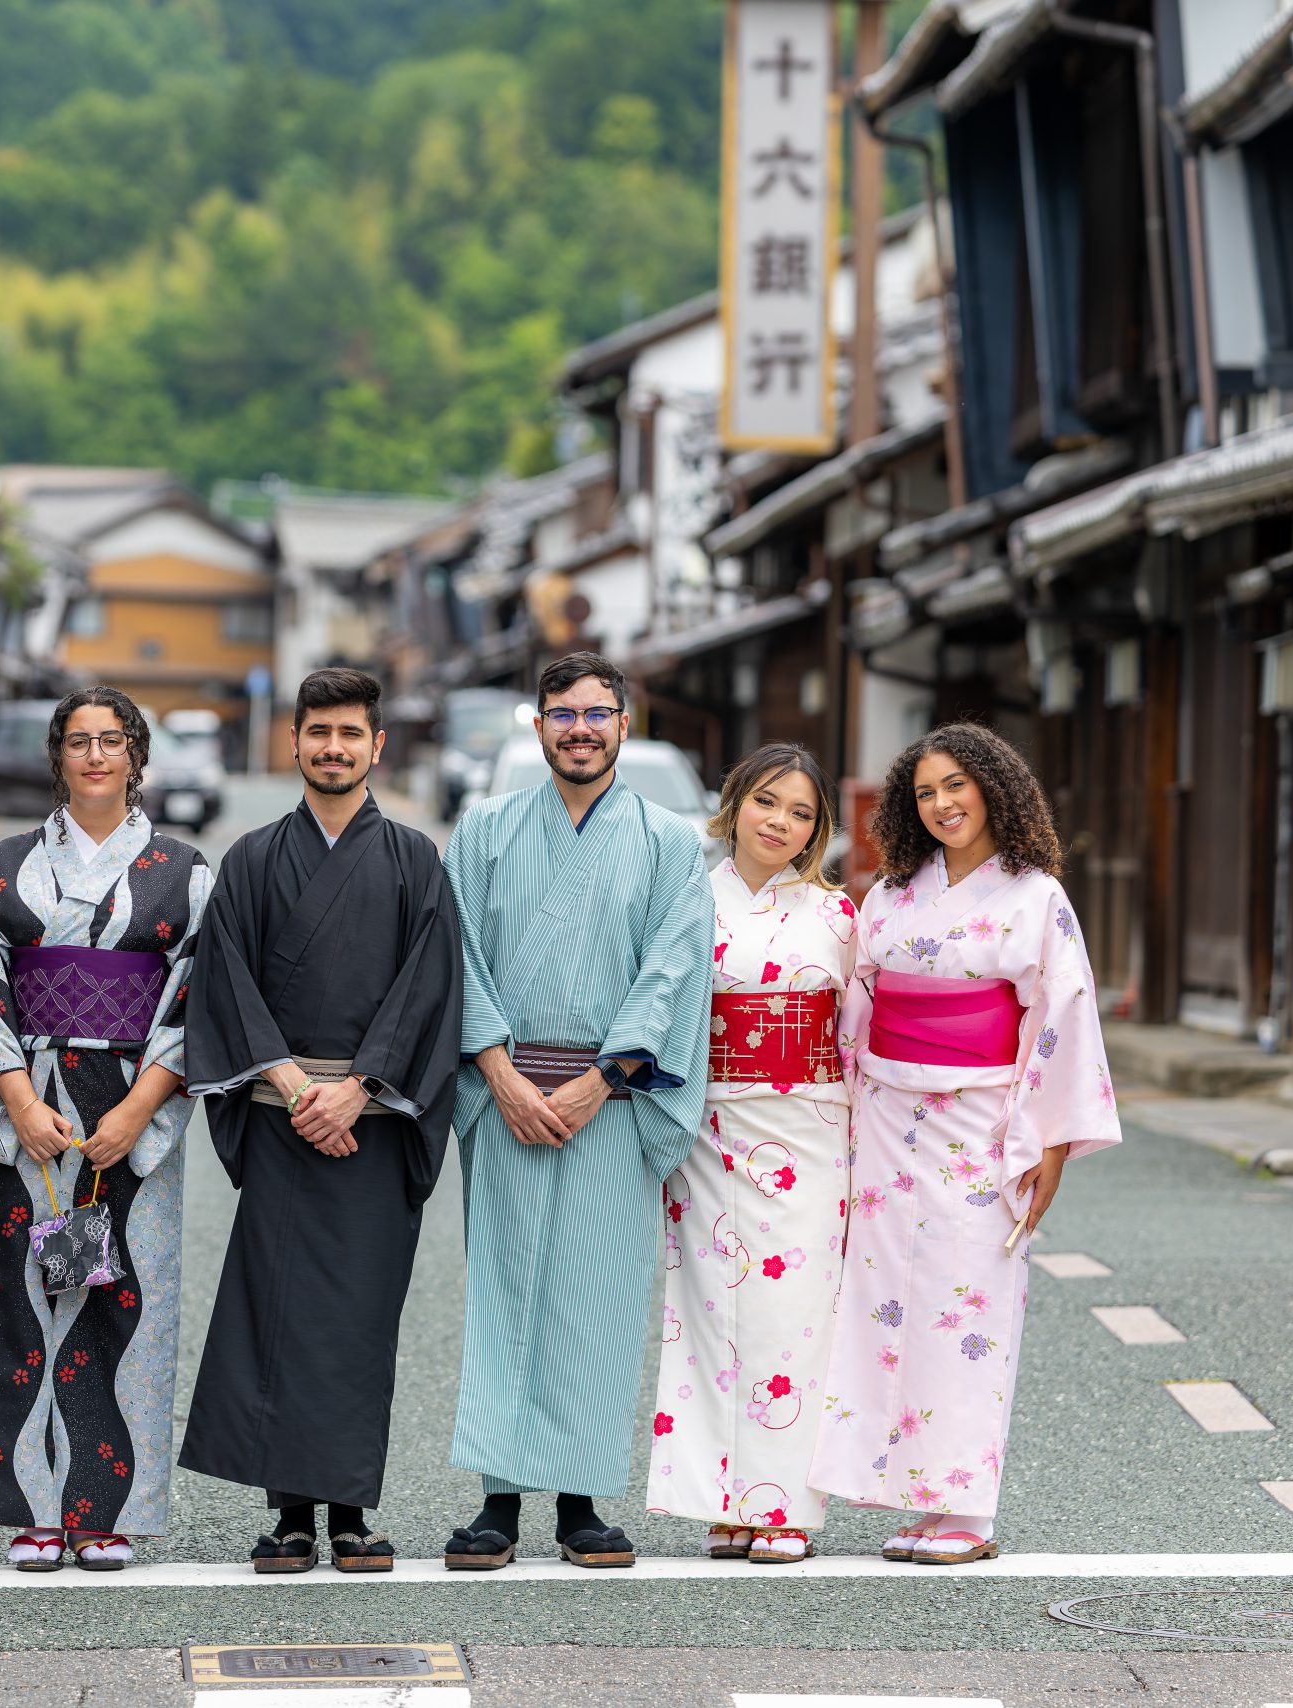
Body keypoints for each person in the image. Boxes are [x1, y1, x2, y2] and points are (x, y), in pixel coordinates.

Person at [807, 722, 1122, 1564]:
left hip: (979, 1122)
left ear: (994, 788)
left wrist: (1047, 1144)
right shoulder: (891, 894)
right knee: (883, 1306)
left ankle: (967, 1510)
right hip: (885, 1119)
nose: (942, 804)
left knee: (967, 1305)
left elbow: (1060, 1016)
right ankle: (918, 1499)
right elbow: (858, 1005)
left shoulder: (1035, 897)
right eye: (925, 793)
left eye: (957, 785)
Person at [179, 667, 461, 1575]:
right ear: (293, 741)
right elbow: (225, 982)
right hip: (280, 1114)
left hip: (372, 1122)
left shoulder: (415, 860)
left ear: (377, 746)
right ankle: (291, 1515)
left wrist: (361, 1088)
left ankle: (351, 1512)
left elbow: (429, 988)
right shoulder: (252, 859)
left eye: (350, 734)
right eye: (318, 732)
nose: (333, 748)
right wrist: (299, 1088)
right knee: (277, 1311)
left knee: (357, 1320)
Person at [442, 651, 711, 1571]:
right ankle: (497, 1503)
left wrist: (602, 1080)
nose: (581, 729)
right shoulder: (484, 831)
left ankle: (582, 1503)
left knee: (597, 1299)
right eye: (564, 714)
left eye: (598, 714)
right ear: (539, 725)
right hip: (505, 1092)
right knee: (505, 1293)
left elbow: (672, 969)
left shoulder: (670, 842)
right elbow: (455, 957)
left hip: (613, 1097)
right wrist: (498, 1074)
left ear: (624, 726)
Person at [0, 687, 209, 1572]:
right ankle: (33, 1507)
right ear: (57, 755)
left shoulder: (184, 870)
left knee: (126, 1303)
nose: (96, 756)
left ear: (136, 755)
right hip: (31, 1100)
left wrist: (138, 1110)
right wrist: (20, 1104)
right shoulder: (4, 864)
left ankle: (107, 1509)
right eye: (78, 741)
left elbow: (198, 993)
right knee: (24, 1302)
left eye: (112, 741)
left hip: (134, 1100)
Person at [645, 743, 856, 1564]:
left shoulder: (838, 916)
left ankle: (783, 1505)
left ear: (817, 829)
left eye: (801, 813)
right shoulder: (689, 900)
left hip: (810, 1128)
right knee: (705, 1315)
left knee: (794, 1318)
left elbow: (856, 1035)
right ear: (734, 804)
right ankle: (723, 1502)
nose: (780, 823)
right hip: (711, 1129)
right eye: (767, 801)